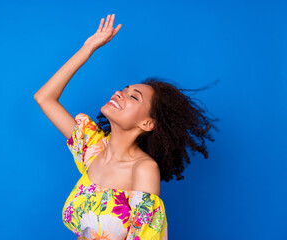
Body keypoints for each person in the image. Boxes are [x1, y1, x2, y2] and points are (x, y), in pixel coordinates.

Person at [34, 14, 218, 240]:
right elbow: (45, 98)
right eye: (124, 89)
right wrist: (88, 48)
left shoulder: (143, 169)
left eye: (134, 97)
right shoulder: (93, 149)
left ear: (147, 123)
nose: (120, 93)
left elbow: (147, 236)